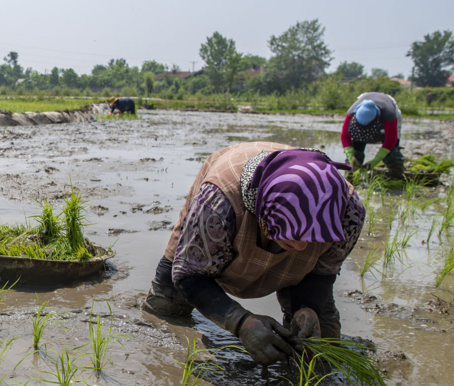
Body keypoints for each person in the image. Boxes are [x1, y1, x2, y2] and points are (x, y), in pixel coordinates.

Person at [142, 142, 365, 366]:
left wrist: (308, 307)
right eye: (292, 235)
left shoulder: (348, 213)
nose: (301, 248)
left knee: (321, 347)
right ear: (264, 215)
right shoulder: (218, 202)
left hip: (293, 228)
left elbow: (322, 271)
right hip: (220, 214)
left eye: (314, 237)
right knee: (164, 312)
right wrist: (241, 323)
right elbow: (189, 274)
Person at [341, 92, 404, 177]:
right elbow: (345, 136)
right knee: (356, 151)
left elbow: (391, 140)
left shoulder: (389, 115)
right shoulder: (351, 113)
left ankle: (395, 175)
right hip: (365, 97)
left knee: (392, 153)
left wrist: (376, 160)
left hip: (387, 104)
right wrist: (350, 156)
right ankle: (351, 174)